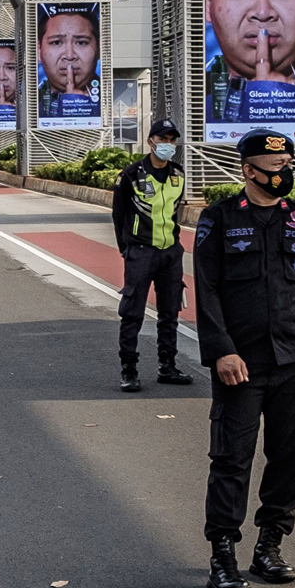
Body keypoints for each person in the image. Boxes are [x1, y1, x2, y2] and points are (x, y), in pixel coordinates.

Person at [190, 131, 295, 588]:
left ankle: (269, 546)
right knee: (232, 460)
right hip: (243, 363)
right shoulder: (218, 220)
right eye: (272, 165)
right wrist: (222, 350)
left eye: (286, 163)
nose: (282, 172)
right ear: (248, 170)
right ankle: (222, 556)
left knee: (293, 455)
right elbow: (207, 290)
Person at [109, 118, 195, 393]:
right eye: (162, 139)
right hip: (141, 252)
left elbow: (174, 213)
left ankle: (167, 366)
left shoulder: (178, 175)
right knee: (132, 312)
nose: (167, 144)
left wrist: (175, 246)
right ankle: (129, 370)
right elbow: (119, 215)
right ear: (150, 141)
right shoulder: (132, 174)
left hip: (170, 252)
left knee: (170, 312)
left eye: (172, 140)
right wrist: (127, 249)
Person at [36, 7, 100, 116]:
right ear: (38, 50)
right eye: (56, 42)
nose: (69, 56)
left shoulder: (113, 98)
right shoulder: (26, 104)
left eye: (81, 43)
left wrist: (79, 109)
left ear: (99, 48)